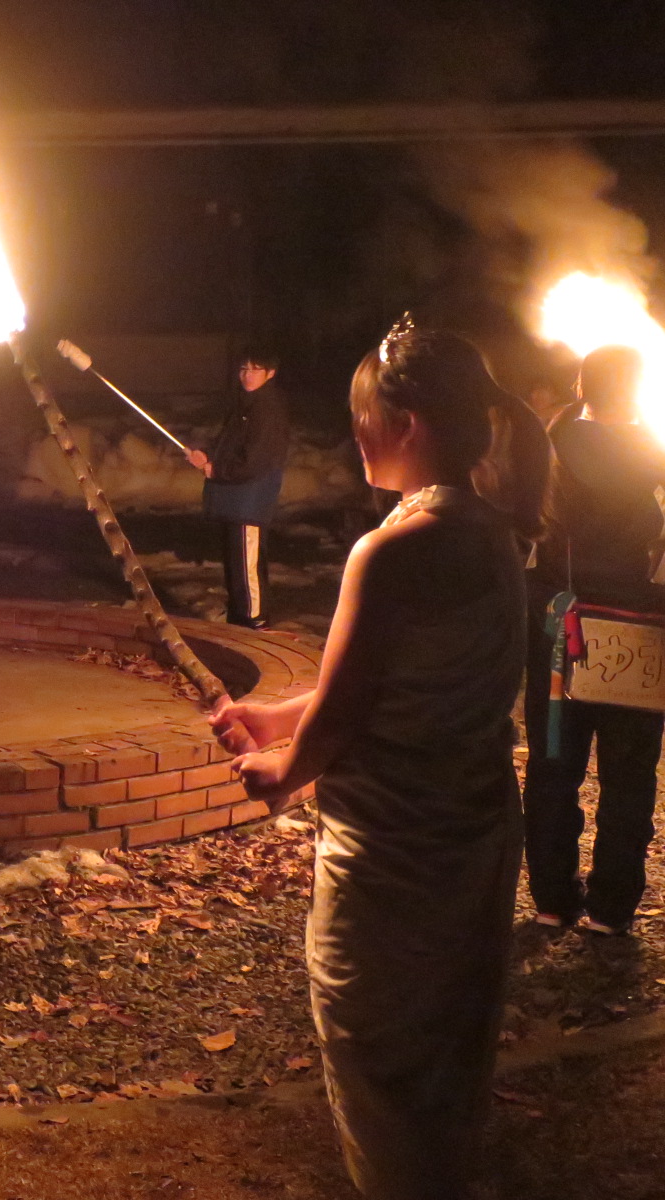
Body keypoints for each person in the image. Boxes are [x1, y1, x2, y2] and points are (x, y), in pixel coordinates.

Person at [209, 320, 549, 1200]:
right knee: (444, 1054)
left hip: (393, 855)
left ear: (409, 423)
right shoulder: (490, 532)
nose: (354, 432)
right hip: (470, 835)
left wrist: (284, 771)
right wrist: (279, 714)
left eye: (365, 415)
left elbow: (350, 707)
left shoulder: (394, 550)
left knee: (379, 1057)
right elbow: (377, 680)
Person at [522, 344, 665, 935]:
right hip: (642, 638)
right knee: (630, 775)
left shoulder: (548, 454)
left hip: (564, 633)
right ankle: (611, 907)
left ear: (582, 386)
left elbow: (528, 543)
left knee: (555, 765)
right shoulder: (657, 455)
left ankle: (552, 897)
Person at [186, 349, 291, 628]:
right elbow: (229, 443)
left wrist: (217, 469)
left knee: (247, 567)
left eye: (255, 369)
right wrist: (207, 455)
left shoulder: (267, 409)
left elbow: (254, 459)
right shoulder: (246, 404)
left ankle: (255, 622)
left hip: (250, 500)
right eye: (243, 369)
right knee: (236, 565)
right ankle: (239, 619)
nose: (247, 375)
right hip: (236, 499)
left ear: (270, 373)